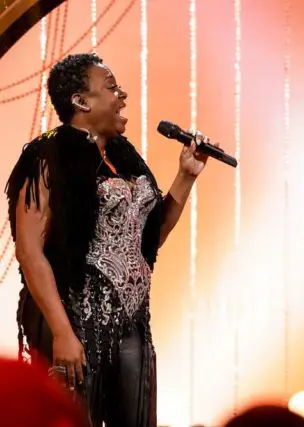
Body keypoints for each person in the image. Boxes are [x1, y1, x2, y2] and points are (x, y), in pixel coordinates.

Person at [6, 53, 212, 426]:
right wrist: (62, 332)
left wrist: (186, 176)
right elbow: (29, 250)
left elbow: (146, 241)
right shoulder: (47, 154)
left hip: (132, 324)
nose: (123, 96)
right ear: (81, 101)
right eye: (112, 88)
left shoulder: (124, 158)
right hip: (76, 321)